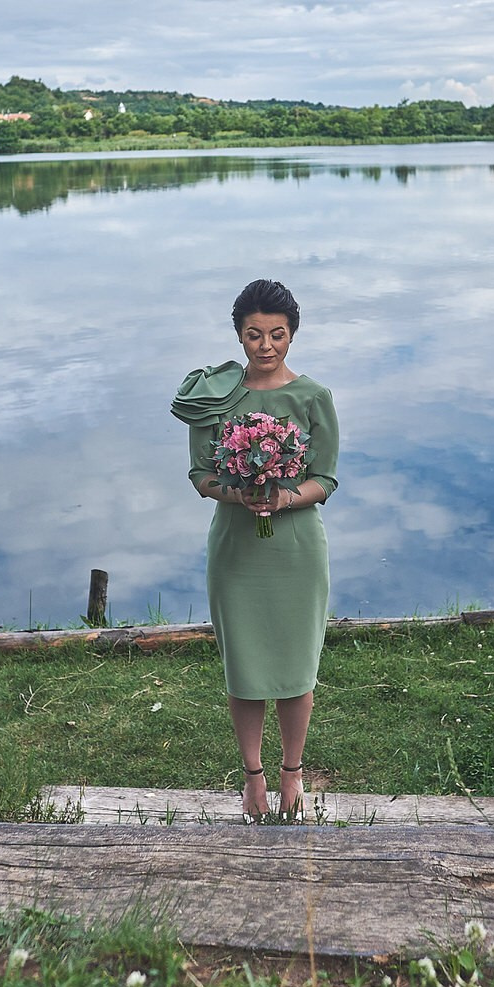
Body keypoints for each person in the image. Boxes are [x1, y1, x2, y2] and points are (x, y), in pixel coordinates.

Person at [171, 279, 339, 821]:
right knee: (244, 667)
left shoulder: (314, 398)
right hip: (236, 547)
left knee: (296, 665)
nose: (266, 346)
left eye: (277, 335)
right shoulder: (213, 393)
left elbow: (326, 480)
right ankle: (252, 779)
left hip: (296, 549)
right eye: (254, 335)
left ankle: (293, 777)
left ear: (292, 335)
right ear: (239, 335)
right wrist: (236, 492)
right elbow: (200, 474)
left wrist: (285, 497)